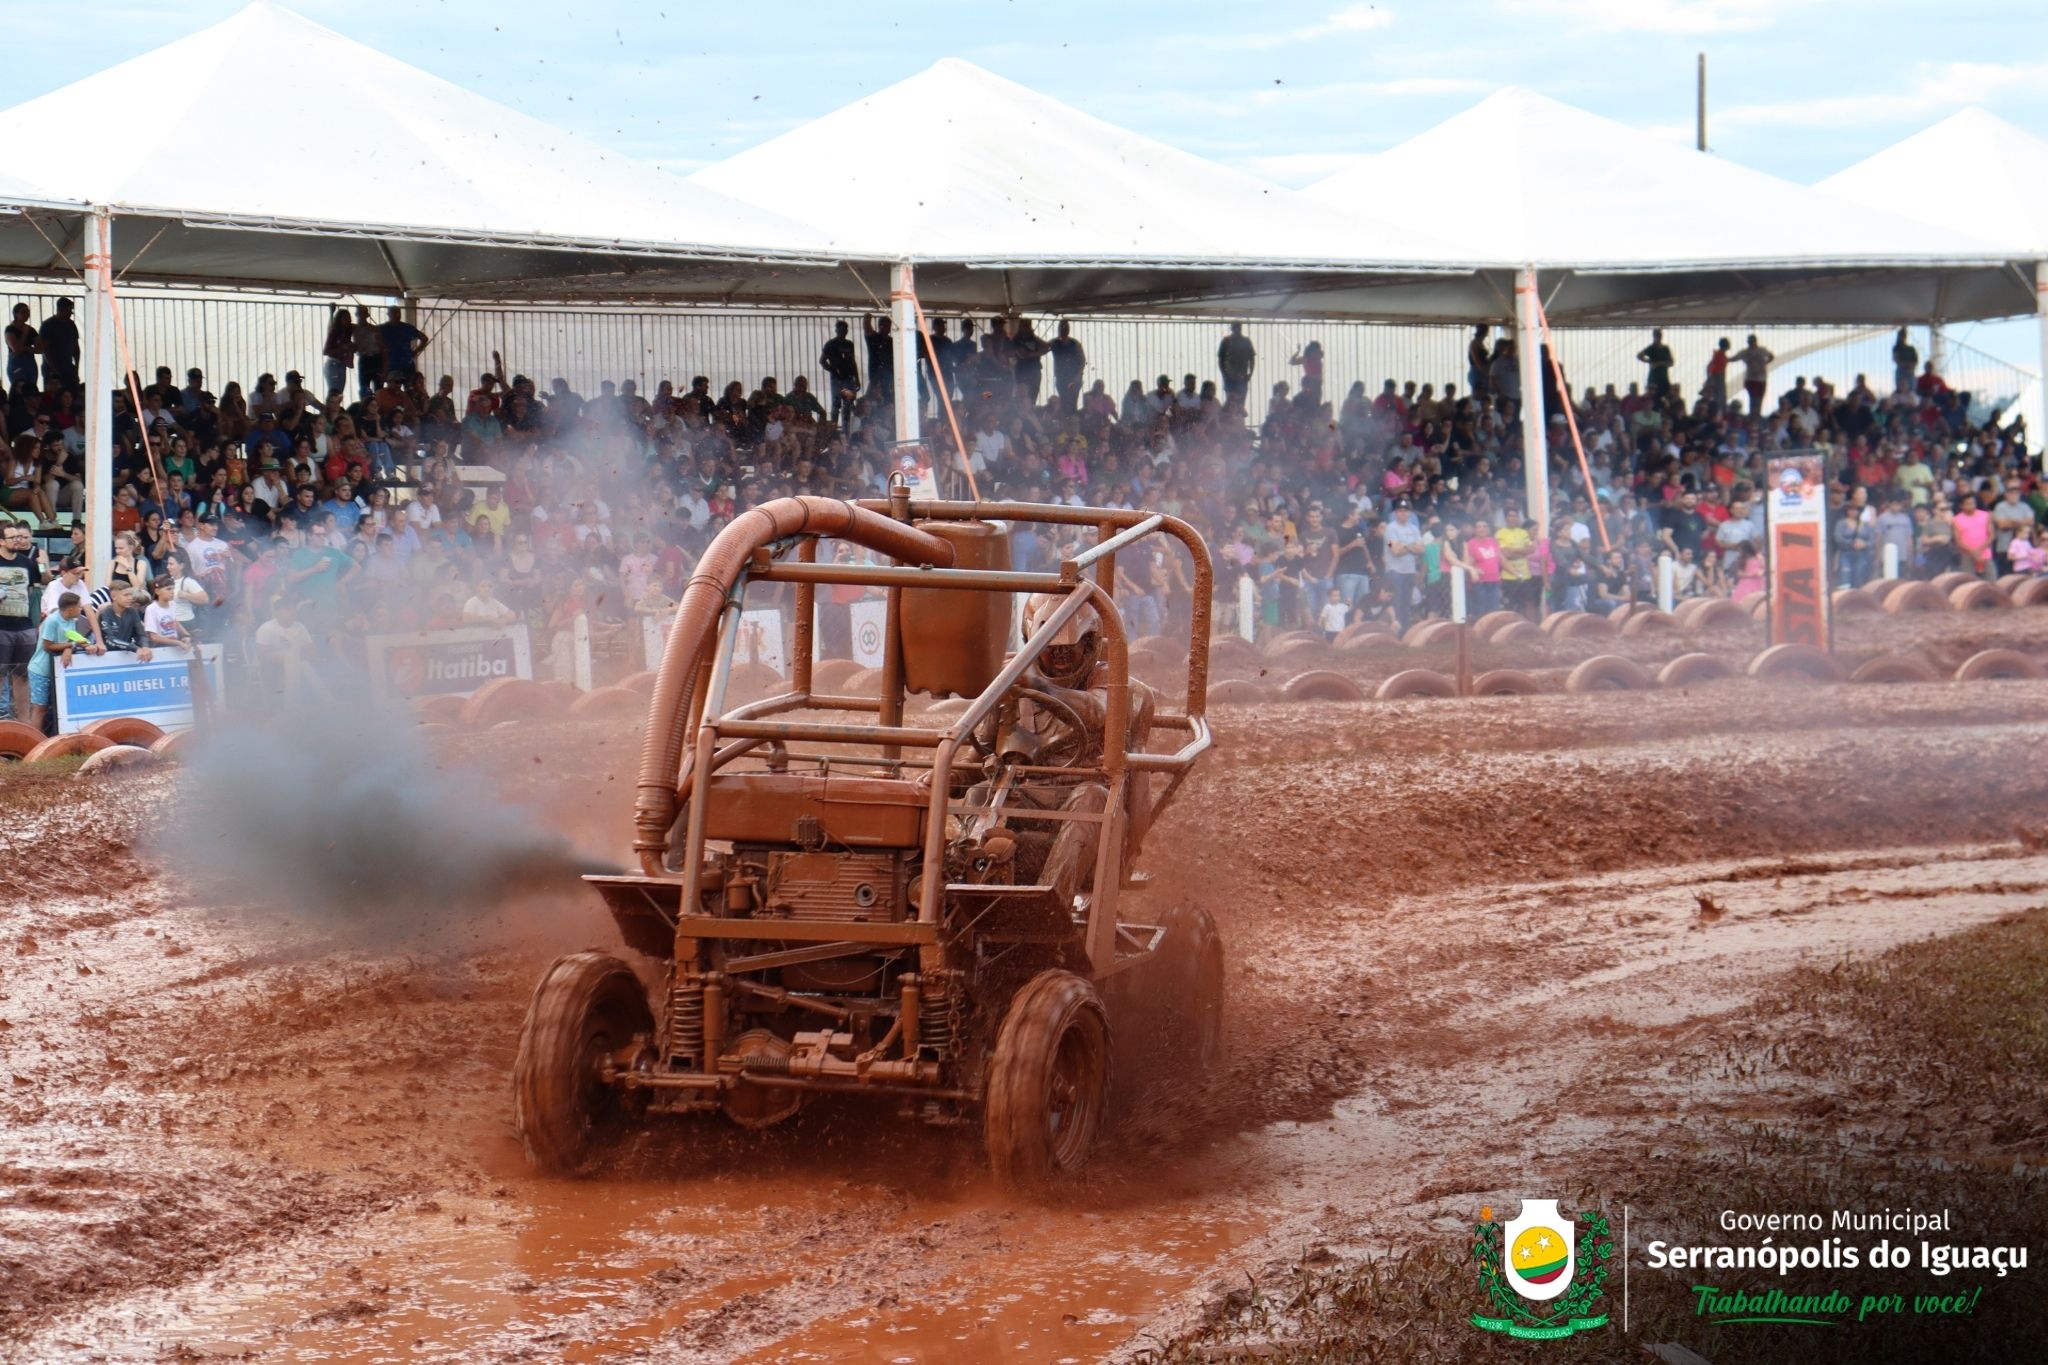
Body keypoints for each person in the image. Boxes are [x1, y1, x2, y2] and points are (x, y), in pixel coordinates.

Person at [0, 522, 47, 721]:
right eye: (12, 537)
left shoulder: (26, 562)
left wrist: (43, 562)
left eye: (19, 537)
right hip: (1, 627)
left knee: (22, 677)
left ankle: (24, 722)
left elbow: (43, 580)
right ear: (1, 541)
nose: (18, 540)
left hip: (24, 626)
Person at [1380, 501, 1424, 631]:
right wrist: (1411, 547)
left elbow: (1421, 549)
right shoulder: (1390, 528)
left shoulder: (1414, 529)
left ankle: (1404, 632)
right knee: (1396, 602)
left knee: (1406, 603)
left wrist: (1404, 545)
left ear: (1410, 513)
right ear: (1395, 513)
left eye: (1405, 510)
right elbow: (1395, 551)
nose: (1403, 513)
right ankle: (1394, 631)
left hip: (1409, 570)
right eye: (1400, 510)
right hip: (1394, 570)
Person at [820, 321, 860, 430]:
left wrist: (857, 378)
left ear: (847, 331)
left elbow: (852, 361)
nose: (842, 331)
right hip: (837, 380)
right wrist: (832, 370)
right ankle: (834, 430)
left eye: (844, 329)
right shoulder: (830, 344)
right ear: (836, 330)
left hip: (848, 378)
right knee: (836, 405)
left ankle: (846, 430)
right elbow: (822, 361)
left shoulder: (849, 344)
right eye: (840, 329)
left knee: (848, 405)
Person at [378, 305, 428, 383]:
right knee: (398, 389)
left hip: (399, 363)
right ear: (388, 314)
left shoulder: (382, 328)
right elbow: (424, 338)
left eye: (398, 313)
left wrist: (414, 352)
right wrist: (414, 352)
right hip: (396, 363)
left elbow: (424, 339)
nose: (397, 315)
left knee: (402, 389)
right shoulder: (406, 328)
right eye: (395, 313)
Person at [39, 299, 80, 391]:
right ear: (61, 309)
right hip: (51, 369)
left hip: (68, 368)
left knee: (71, 394)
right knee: (53, 396)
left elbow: (76, 348)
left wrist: (76, 368)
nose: (71, 313)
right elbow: (45, 349)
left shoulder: (71, 325)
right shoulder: (48, 325)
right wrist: (53, 369)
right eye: (69, 310)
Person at [1050, 321, 1086, 414]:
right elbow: (1044, 347)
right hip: (1062, 378)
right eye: (1062, 328)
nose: (1064, 330)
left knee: (1072, 403)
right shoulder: (1055, 343)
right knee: (1064, 402)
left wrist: (1077, 377)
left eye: (1065, 328)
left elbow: (1082, 361)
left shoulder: (1074, 344)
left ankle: (1071, 421)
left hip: (1073, 378)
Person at [1217, 324, 1255, 409]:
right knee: (1230, 403)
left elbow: (1252, 359)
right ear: (1232, 329)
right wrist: (1224, 375)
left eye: (1239, 327)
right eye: (1235, 327)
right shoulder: (1226, 341)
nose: (1237, 329)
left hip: (1242, 377)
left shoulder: (1246, 341)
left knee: (1241, 404)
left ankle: (1239, 421)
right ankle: (1230, 421)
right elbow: (1220, 360)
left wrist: (1250, 374)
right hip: (1230, 377)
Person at [1734, 334, 1775, 413]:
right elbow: (1734, 358)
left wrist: (1764, 363)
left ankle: (1756, 414)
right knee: (1753, 399)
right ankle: (1753, 415)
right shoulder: (1745, 352)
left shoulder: (1761, 350)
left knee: (1758, 400)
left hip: (1760, 379)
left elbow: (1772, 356)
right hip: (1751, 379)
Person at [1637, 329, 1673, 399]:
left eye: (1659, 336)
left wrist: (1659, 364)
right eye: (1656, 336)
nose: (1658, 338)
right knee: (1652, 397)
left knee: (1665, 397)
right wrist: (1649, 361)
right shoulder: (1651, 348)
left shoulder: (1665, 349)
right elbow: (1639, 356)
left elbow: (1671, 363)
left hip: (1663, 378)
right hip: (1654, 378)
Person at [1891, 327, 1919, 398]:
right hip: (1901, 371)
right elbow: (1896, 360)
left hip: (1910, 372)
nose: (1902, 337)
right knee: (1900, 389)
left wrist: (1910, 367)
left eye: (1904, 335)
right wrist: (1906, 365)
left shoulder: (1911, 349)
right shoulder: (1896, 348)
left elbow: (1915, 361)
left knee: (1911, 390)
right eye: (1901, 335)